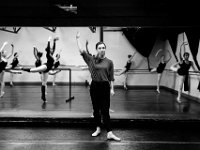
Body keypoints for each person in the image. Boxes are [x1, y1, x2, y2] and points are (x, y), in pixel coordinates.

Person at [76, 32, 121, 141]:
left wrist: (112, 88)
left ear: (105, 49)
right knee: (96, 110)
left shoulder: (109, 62)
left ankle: (109, 132)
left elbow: (111, 77)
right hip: (95, 86)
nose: (102, 49)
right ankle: (98, 128)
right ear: (96, 49)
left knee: (105, 110)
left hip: (105, 86)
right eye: (100, 48)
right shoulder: (91, 60)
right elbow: (81, 51)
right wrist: (77, 39)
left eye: (103, 47)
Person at [22, 36, 59, 102]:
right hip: (45, 67)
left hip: (47, 70)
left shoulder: (51, 54)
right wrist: (48, 40)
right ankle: (22, 69)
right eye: (50, 49)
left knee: (44, 83)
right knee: (34, 70)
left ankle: (43, 97)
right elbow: (48, 49)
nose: (52, 49)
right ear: (48, 50)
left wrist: (54, 41)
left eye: (51, 49)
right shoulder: (48, 54)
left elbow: (54, 48)